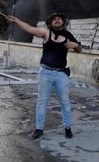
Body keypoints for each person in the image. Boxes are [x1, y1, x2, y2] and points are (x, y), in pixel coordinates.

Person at [8, 12, 82, 140]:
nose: (57, 20)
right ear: (51, 23)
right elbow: (30, 29)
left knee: (64, 102)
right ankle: (39, 129)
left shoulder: (68, 36)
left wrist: (75, 45)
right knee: (42, 101)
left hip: (61, 73)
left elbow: (79, 49)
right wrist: (16, 20)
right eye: (54, 19)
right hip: (45, 72)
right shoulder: (46, 33)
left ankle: (68, 128)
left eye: (59, 19)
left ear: (63, 22)